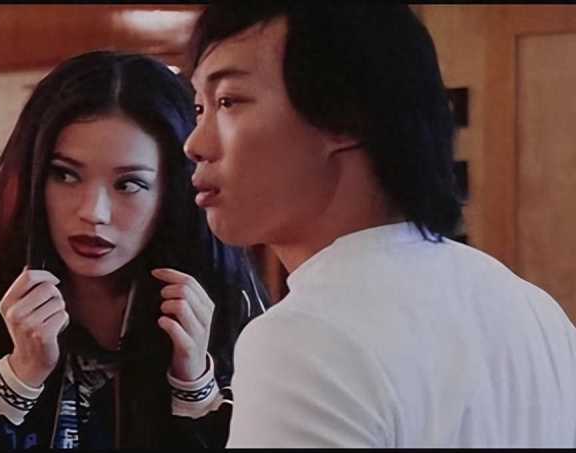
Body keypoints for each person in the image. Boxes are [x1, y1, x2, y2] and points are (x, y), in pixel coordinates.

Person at [184, 2, 576, 448]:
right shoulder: (532, 309)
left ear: (345, 117)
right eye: (198, 108)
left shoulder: (307, 338)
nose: (195, 143)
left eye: (228, 101)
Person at [0, 50, 267, 449]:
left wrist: (196, 389)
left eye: (128, 184)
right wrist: (13, 382)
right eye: (66, 175)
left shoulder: (219, 280)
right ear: (34, 173)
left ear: (172, 191)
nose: (93, 212)